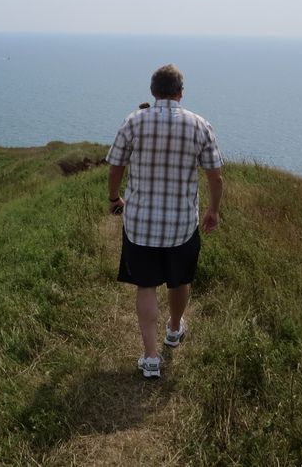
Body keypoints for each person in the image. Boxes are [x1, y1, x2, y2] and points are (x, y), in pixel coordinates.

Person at [106, 64, 223, 379]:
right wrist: (213, 210)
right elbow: (215, 175)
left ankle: (150, 358)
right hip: (181, 225)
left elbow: (115, 165)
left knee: (146, 285)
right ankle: (174, 330)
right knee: (179, 280)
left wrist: (114, 198)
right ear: (180, 93)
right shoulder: (200, 125)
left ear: (153, 91)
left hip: (141, 223)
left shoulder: (134, 122)